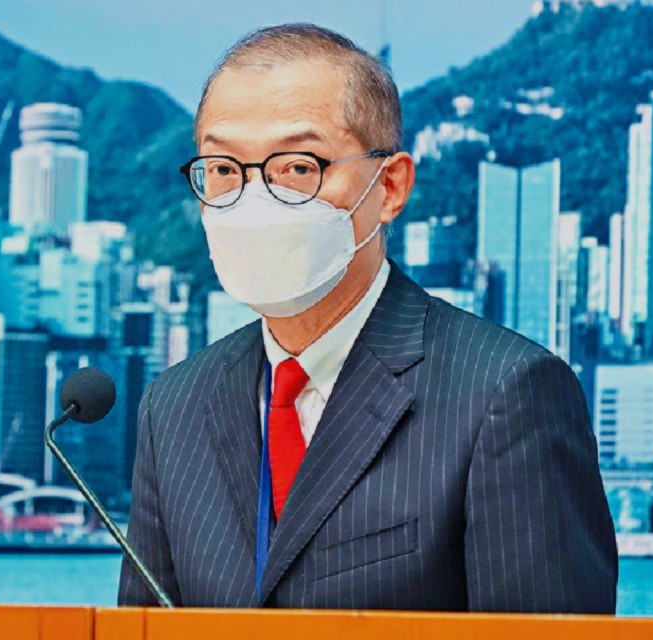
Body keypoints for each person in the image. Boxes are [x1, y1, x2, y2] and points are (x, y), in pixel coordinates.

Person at [118, 23, 617, 612]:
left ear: (390, 186)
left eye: (297, 167)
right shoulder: (173, 407)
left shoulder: (505, 392)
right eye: (224, 170)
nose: (254, 201)